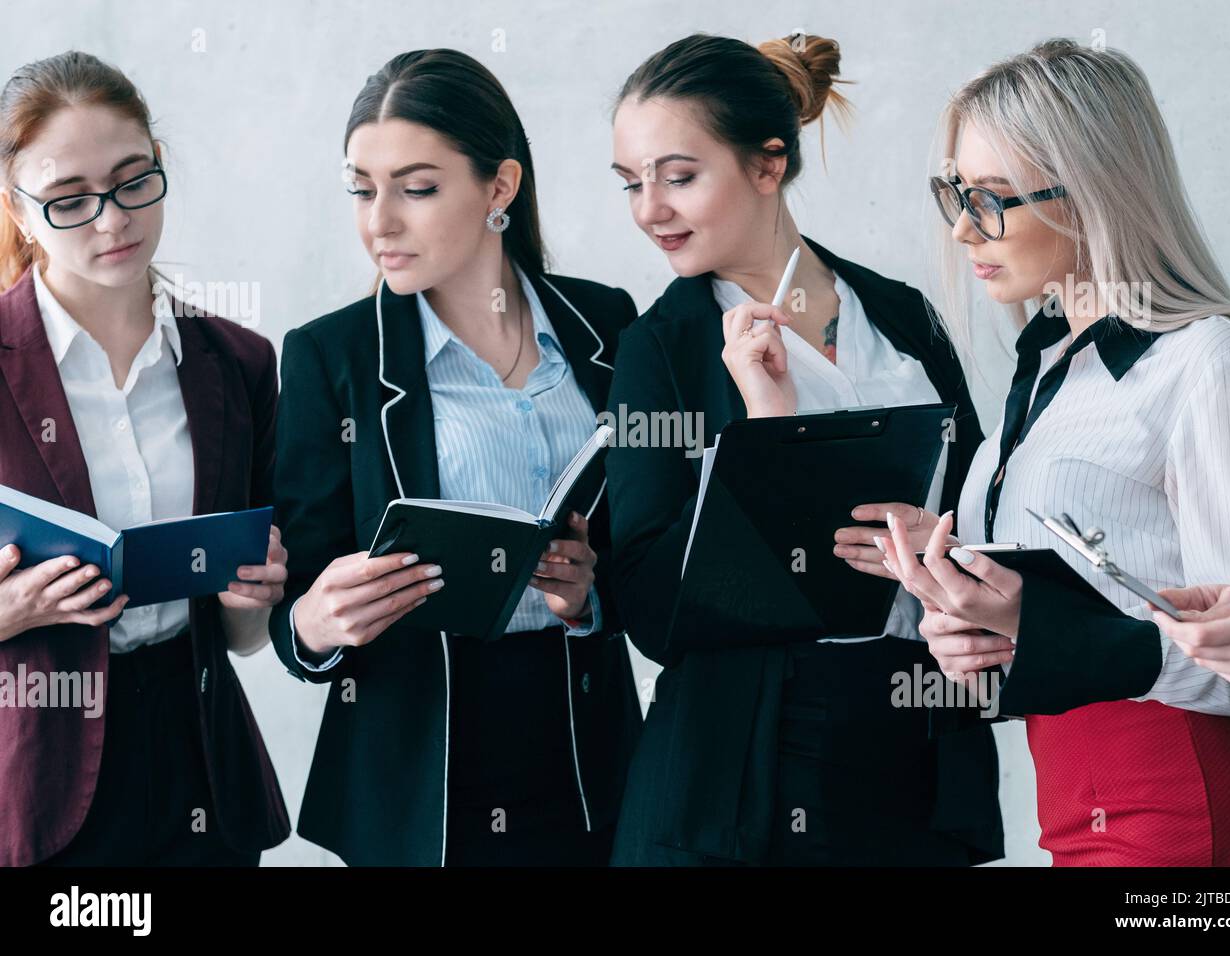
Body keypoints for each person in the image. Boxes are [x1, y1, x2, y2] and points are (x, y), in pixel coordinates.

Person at [863, 38, 1230, 865]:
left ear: (1093, 191)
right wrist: (968, 621)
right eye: (955, 194)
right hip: (1073, 815)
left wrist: (1040, 626)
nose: (962, 228)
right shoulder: (1042, 377)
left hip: (1190, 816)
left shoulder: (1213, 362)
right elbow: (1060, 634)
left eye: (991, 198)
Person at [605, 32, 1003, 866]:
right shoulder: (662, 348)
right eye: (632, 183)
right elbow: (648, 609)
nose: (650, 208)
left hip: (920, 740)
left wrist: (943, 545)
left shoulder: (902, 317)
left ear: (767, 165)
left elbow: (986, 515)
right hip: (750, 764)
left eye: (678, 177)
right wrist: (762, 432)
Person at [270, 49, 642, 866]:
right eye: (363, 190)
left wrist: (589, 596)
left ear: (499, 188)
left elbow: (650, 545)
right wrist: (317, 621)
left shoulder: (607, 326)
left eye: (417, 187)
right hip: (418, 782)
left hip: (589, 763)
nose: (380, 223)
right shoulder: (328, 356)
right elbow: (292, 609)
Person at [0, 51, 290, 866]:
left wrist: (252, 596)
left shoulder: (239, 362)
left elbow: (240, 637)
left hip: (201, 757)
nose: (112, 219)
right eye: (68, 201)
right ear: (18, 213)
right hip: (35, 773)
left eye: (133, 181)